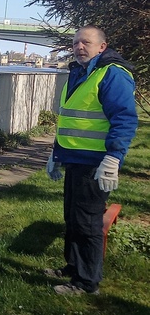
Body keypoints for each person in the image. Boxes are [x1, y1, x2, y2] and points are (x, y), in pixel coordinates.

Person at [45, 26, 137, 295]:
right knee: (72, 218)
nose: (79, 47)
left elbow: (124, 119)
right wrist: (56, 152)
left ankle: (87, 283)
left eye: (86, 42)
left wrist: (113, 158)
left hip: (95, 163)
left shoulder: (112, 75)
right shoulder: (80, 72)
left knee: (87, 222)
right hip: (74, 158)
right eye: (75, 43)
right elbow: (69, 118)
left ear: (102, 46)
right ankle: (74, 267)